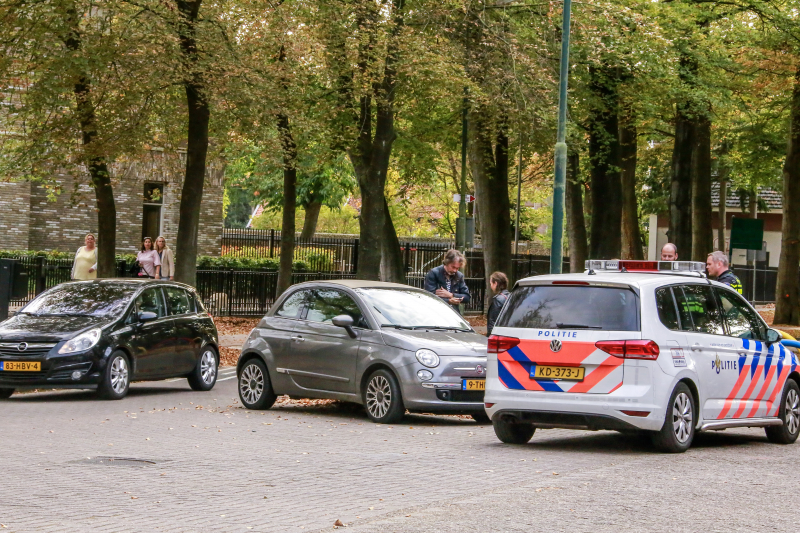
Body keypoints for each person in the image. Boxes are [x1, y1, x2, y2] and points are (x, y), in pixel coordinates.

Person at [486, 272, 510, 336]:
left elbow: (492, 321)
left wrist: (490, 336)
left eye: (491, 283)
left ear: (495, 283)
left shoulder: (497, 300)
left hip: (498, 335)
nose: (491, 286)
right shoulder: (511, 297)